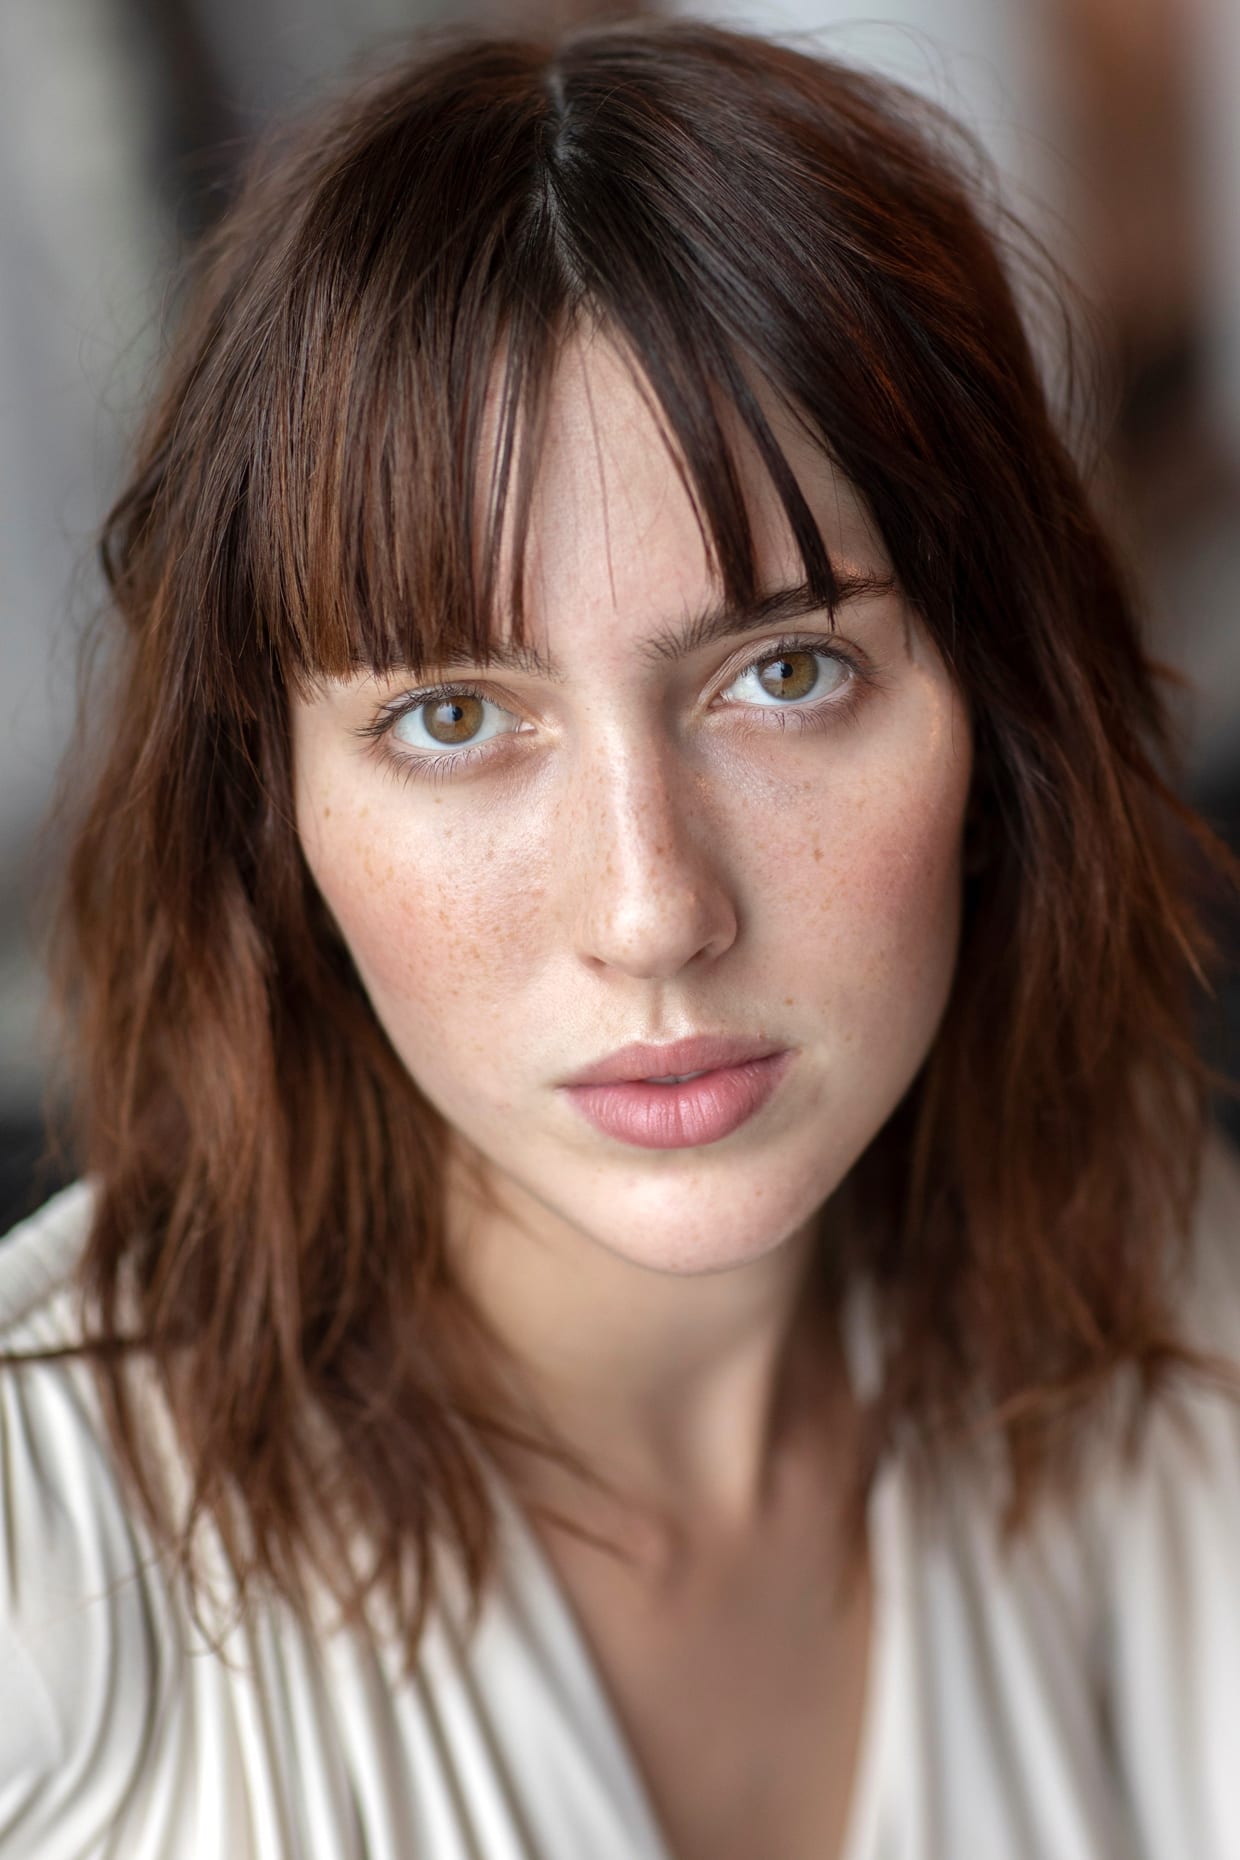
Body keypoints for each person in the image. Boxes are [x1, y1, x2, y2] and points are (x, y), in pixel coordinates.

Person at [1, 17, 1238, 1859]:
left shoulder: (1173, 1314)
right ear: (278, 814)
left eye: (788, 673)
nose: (654, 909)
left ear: (1003, 712)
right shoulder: (41, 1554)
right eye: (452, 719)